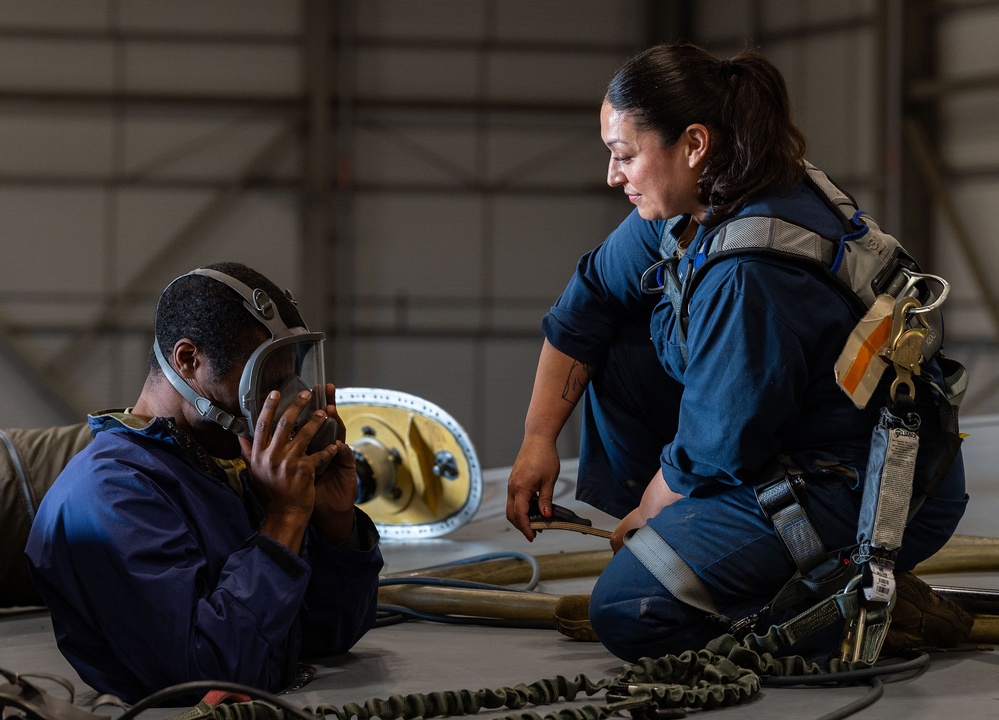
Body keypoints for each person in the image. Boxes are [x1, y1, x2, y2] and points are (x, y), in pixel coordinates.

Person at [505, 42, 969, 662]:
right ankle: (700, 554)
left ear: (693, 145)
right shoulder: (692, 205)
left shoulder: (752, 268)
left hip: (866, 485)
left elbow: (716, 445)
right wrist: (539, 438)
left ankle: (857, 602)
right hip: (781, 438)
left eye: (624, 156)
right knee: (619, 333)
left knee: (626, 608)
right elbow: (589, 298)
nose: (613, 176)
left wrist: (651, 509)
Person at [26, 262, 383, 702]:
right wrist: (284, 519)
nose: (285, 402)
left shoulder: (222, 469)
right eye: (267, 382)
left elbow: (327, 635)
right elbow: (204, 676)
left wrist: (335, 528)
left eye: (290, 379)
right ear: (188, 360)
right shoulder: (110, 495)